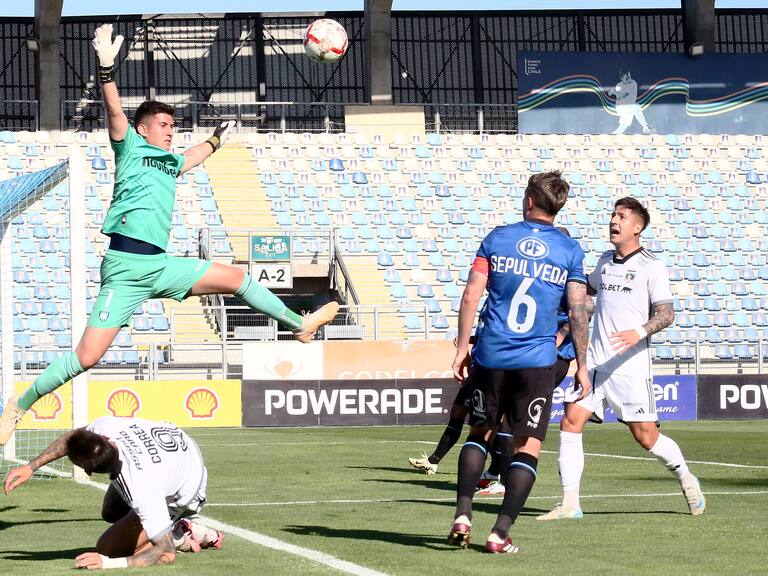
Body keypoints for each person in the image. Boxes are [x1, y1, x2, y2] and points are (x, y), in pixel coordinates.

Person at [0, 24, 339, 444]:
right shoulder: (129, 144)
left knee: (236, 278)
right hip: (125, 269)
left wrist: (215, 139)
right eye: (163, 124)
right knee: (87, 357)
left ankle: (298, 325)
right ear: (143, 128)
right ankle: (19, 405)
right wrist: (106, 69)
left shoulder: (169, 160)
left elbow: (192, 156)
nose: (170, 129)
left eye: (172, 125)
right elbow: (114, 112)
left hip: (160, 265)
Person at [447, 171, 592, 554]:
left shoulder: (497, 238)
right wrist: (582, 363)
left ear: (529, 200)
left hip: (492, 354)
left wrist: (462, 347)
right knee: (528, 445)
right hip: (538, 361)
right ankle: (500, 533)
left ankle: (463, 513)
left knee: (480, 432)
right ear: (557, 207)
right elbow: (578, 309)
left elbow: (470, 296)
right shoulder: (570, 250)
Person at [537, 197, 705, 521]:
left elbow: (667, 314)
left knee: (646, 437)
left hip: (629, 367)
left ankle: (685, 476)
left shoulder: (651, 267)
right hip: (596, 364)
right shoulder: (604, 261)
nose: (614, 220)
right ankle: (570, 503)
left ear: (637, 227)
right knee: (570, 421)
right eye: (613, 214)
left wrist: (639, 332)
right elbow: (587, 301)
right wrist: (563, 325)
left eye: (622, 216)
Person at [4, 416, 221, 568]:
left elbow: (165, 553)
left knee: (107, 548)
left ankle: (179, 531)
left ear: (87, 470)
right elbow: (72, 439)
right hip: (172, 451)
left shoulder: (141, 488)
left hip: (188, 485)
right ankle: (165, 528)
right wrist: (31, 466)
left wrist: (108, 563)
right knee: (110, 512)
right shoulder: (106, 427)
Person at [608, 71, 654, 135]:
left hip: (629, 107)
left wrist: (613, 92)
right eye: (626, 78)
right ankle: (645, 127)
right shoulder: (618, 85)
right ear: (621, 78)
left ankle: (613, 135)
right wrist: (614, 92)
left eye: (629, 77)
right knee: (636, 107)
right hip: (621, 107)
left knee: (623, 126)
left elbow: (623, 95)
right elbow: (618, 96)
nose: (629, 79)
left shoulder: (633, 83)